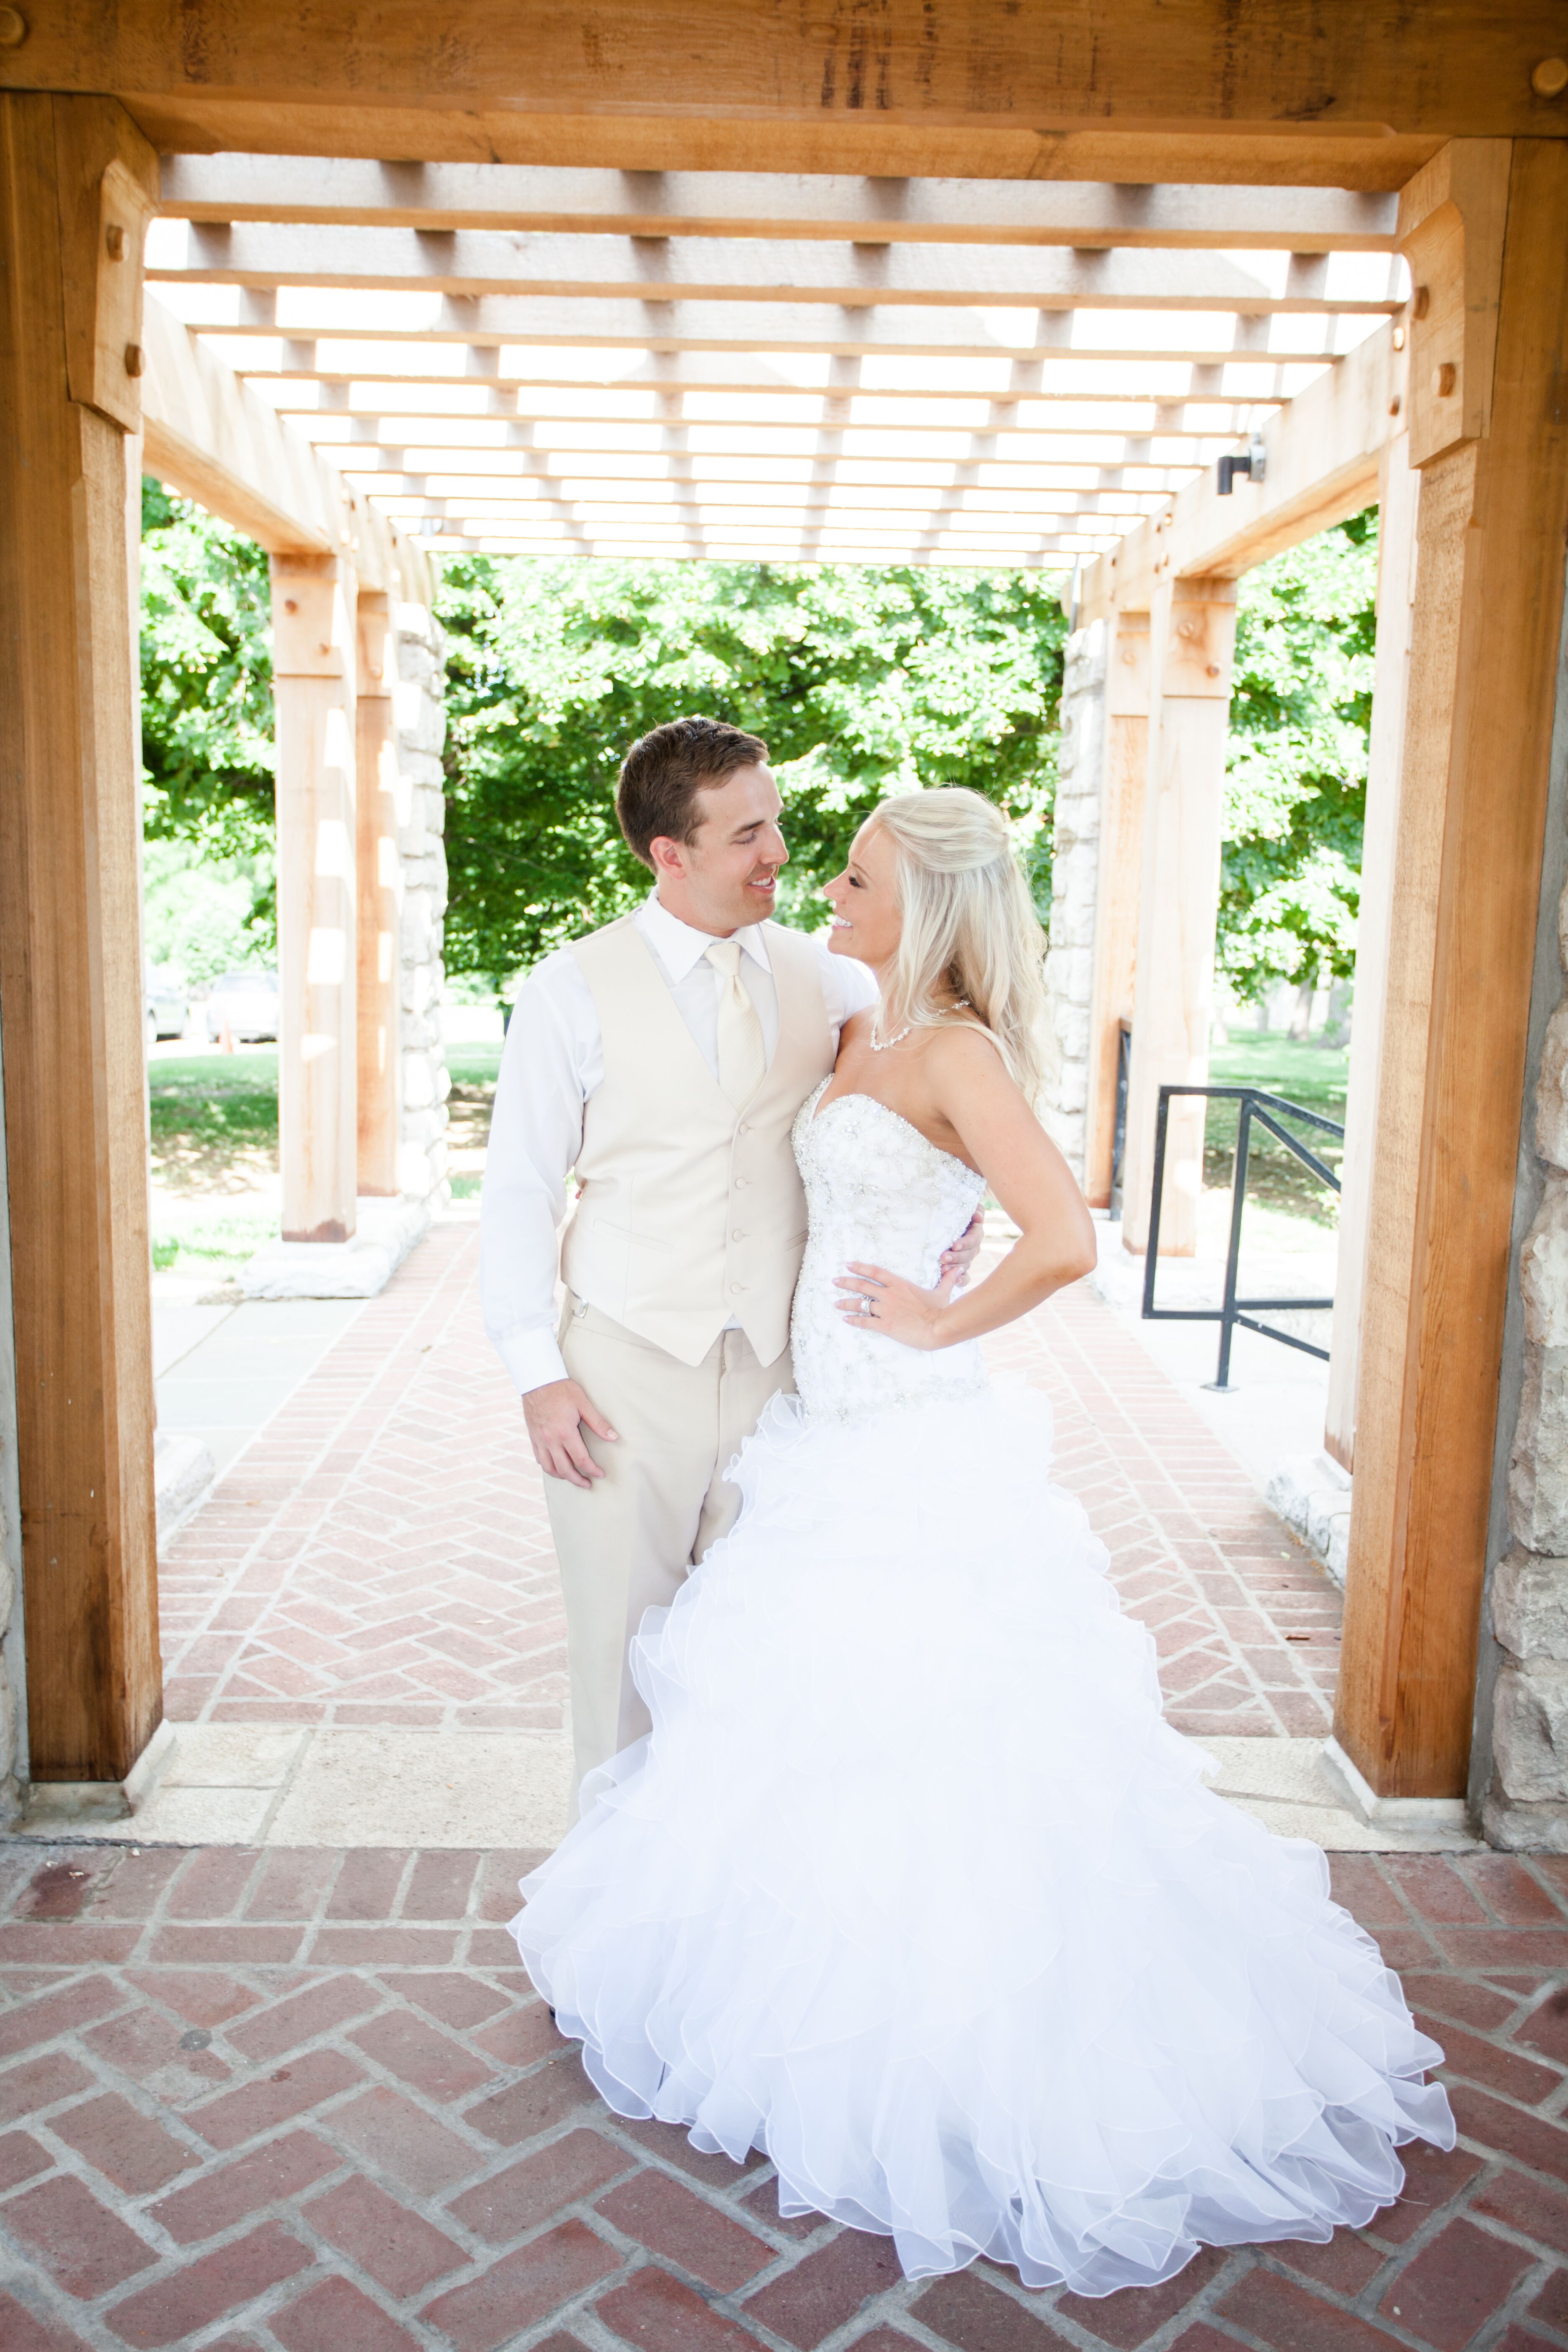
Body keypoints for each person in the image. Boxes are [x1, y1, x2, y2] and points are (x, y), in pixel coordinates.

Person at [505, 784, 1455, 2298]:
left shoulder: (951, 1050)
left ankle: (931, 2032)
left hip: (910, 1428)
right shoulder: (854, 1018)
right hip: (811, 1420)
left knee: (932, 1728)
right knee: (799, 1720)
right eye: (807, 861)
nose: (822, 886)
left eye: (857, 877)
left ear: (925, 903)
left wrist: (948, 1313)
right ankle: (793, 1987)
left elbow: (1066, 1235)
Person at [480, 717, 980, 1814]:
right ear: (673, 854)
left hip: (785, 1380)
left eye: (780, 823)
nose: (782, 854)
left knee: (757, 1664)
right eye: (749, 833)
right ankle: (605, 1947)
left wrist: (957, 1202)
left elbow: (929, 1084)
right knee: (618, 1669)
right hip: (619, 1376)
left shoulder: (831, 977)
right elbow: (518, 1189)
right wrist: (536, 1373)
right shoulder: (569, 990)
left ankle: (718, 1918)